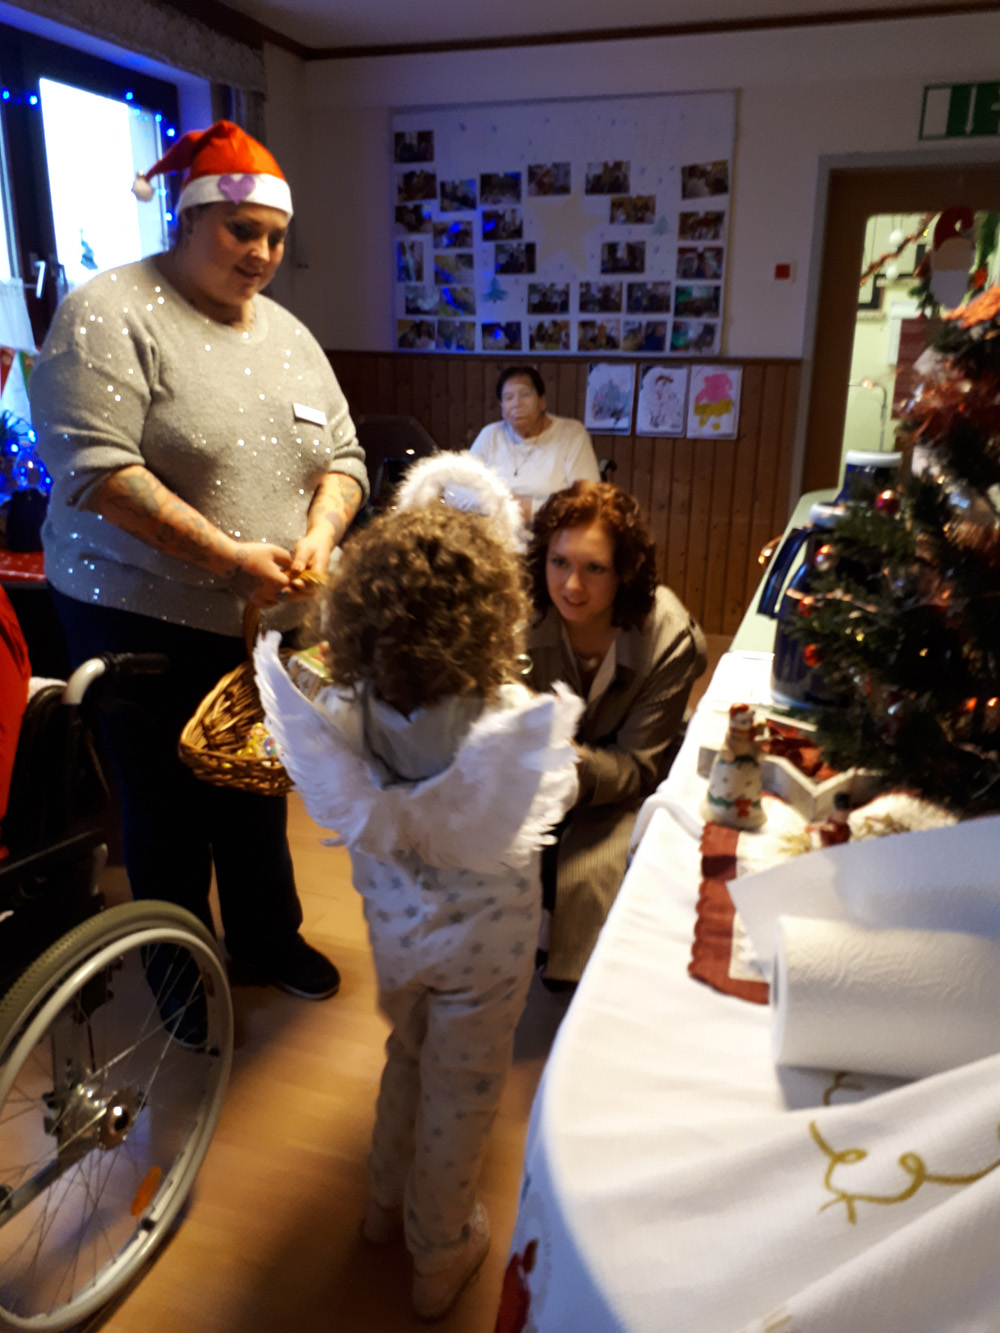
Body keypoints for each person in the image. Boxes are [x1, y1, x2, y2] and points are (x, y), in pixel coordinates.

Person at [30, 120, 369, 1001]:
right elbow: (97, 472)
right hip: (136, 612)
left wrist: (321, 536)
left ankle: (265, 936)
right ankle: (177, 969)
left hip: (264, 618)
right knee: (165, 801)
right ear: (184, 220)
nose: (261, 253)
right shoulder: (109, 313)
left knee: (255, 780)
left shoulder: (290, 334)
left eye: (276, 237)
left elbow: (346, 457)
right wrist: (227, 558)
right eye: (241, 231)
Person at [254, 468, 580, 1320]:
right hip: (485, 951)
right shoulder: (504, 709)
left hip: (398, 930)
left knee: (407, 1053)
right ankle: (439, 1254)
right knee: (463, 1090)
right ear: (491, 615)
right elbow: (557, 785)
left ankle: (378, 1207)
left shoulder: (344, 707)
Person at [526, 480, 707, 987]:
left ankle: (580, 959)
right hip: (536, 771)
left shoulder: (669, 636)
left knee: (596, 867)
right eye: (558, 562)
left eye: (594, 568)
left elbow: (637, 766)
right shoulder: (522, 615)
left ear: (624, 572)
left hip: (626, 775)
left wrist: (560, 761)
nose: (572, 586)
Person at [469, 364, 600, 521]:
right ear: (502, 409)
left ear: (542, 402)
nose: (517, 403)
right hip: (496, 536)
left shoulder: (572, 434)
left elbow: (588, 499)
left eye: (525, 394)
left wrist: (528, 509)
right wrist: (497, 504)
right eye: (509, 397)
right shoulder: (490, 435)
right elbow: (456, 490)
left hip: (552, 536)